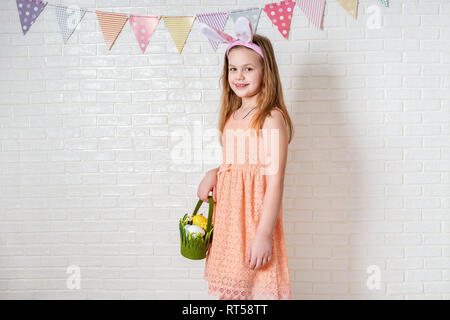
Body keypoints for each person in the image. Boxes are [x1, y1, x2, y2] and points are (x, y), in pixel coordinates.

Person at [197, 17, 294, 300]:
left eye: (248, 69)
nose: (239, 76)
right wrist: (215, 172)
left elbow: (275, 183)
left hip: (253, 221)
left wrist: (263, 233)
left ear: (266, 71)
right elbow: (238, 162)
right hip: (230, 221)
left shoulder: (271, 118)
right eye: (233, 69)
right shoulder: (232, 115)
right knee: (233, 294)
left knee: (258, 290)